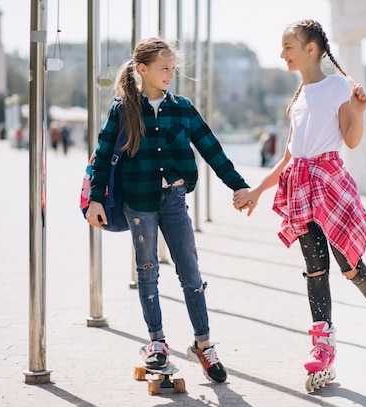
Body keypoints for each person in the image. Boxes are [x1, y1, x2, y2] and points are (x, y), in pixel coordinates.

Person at [233, 19, 366, 385]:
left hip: (330, 184)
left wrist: (360, 112)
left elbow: (350, 140)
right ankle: (322, 346)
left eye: (288, 46)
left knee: (350, 266)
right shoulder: (299, 96)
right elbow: (289, 156)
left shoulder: (337, 86)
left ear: (311, 49)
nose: (282, 53)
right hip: (301, 186)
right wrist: (257, 190)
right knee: (315, 269)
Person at [86, 37, 250, 384]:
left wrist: (238, 185)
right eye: (164, 68)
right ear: (142, 70)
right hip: (137, 202)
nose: (170, 74)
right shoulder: (122, 109)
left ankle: (203, 344)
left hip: (174, 200)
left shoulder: (183, 108)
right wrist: (96, 199)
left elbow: (211, 149)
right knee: (147, 272)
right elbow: (102, 156)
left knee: (191, 272)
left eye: (173, 69)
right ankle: (157, 343)